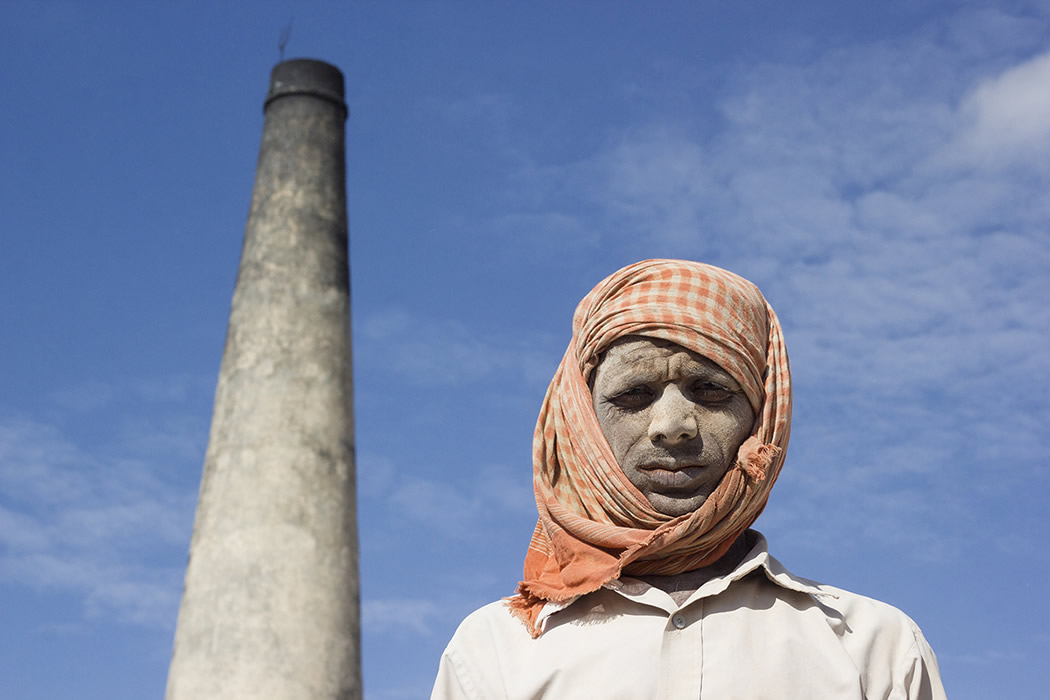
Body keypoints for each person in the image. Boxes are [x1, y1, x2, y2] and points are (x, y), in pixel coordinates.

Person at [431, 259, 946, 699]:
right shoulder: (497, 649)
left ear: (762, 417)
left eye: (711, 391)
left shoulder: (874, 645)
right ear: (583, 421)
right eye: (633, 395)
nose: (672, 427)